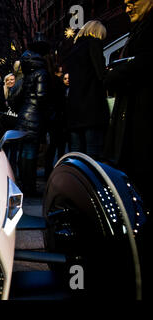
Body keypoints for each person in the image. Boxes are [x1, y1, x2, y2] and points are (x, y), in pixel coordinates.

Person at [103, 0, 153, 298]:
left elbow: (142, 64)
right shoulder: (140, 28)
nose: (126, 3)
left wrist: (118, 72)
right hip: (135, 131)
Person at [66, 20, 109, 160]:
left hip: (74, 109)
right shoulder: (94, 44)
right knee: (93, 153)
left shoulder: (73, 49)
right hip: (92, 108)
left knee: (77, 154)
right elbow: (101, 74)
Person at [14, 48, 49, 196]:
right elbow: (42, 97)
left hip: (24, 116)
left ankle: (25, 185)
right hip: (34, 117)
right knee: (31, 154)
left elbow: (18, 97)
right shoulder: (41, 73)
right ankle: (30, 188)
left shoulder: (27, 76)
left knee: (24, 153)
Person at [44, 65, 68, 179]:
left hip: (51, 118)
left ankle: (49, 171)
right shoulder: (59, 84)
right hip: (59, 118)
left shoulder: (49, 83)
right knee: (60, 147)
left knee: (52, 147)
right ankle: (60, 170)